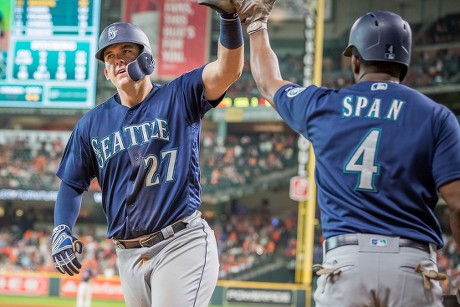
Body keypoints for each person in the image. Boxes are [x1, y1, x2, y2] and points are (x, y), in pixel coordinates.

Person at [231, 1, 460, 306]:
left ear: (355, 61)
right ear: (404, 64)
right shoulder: (436, 116)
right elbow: (457, 203)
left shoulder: (324, 106)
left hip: (345, 265)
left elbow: (268, 82)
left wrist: (257, 26)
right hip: (411, 265)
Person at [50, 1, 244, 306]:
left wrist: (229, 18)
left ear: (147, 59)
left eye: (127, 51)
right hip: (127, 256)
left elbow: (228, 70)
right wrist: (61, 228)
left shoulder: (178, 96)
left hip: (179, 243)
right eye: (111, 57)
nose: (118, 61)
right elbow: (72, 184)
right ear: (105, 72)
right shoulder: (91, 124)